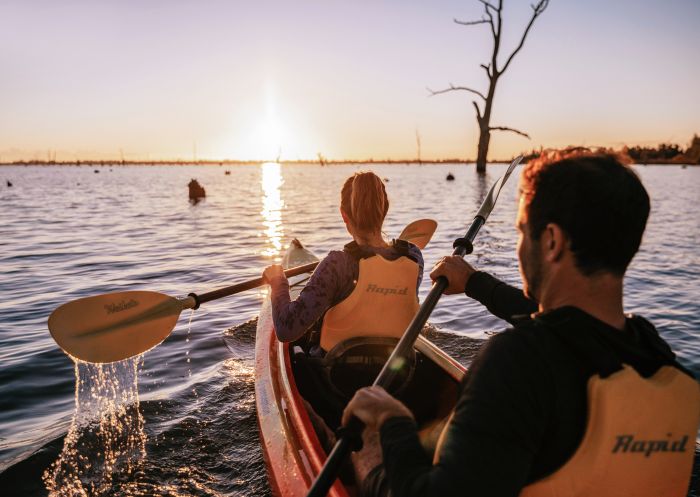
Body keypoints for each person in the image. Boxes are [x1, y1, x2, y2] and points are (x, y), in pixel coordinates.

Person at [342, 150, 700, 497]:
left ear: (551, 241)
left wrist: (390, 422)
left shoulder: (518, 362)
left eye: (521, 232)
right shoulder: (656, 355)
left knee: (361, 443)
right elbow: (567, 326)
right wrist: (475, 283)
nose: (518, 246)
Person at [262, 170, 424, 355]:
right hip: (395, 371)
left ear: (343, 215)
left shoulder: (338, 265)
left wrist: (278, 283)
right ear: (384, 211)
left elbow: (285, 330)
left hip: (336, 378)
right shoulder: (413, 256)